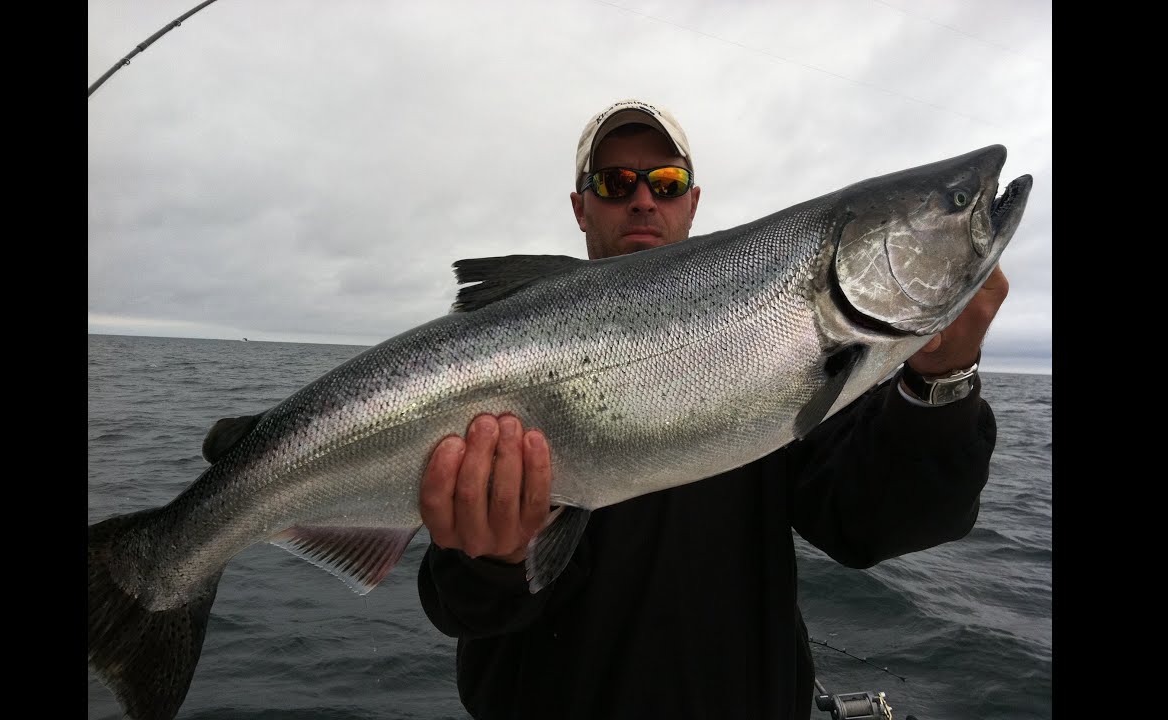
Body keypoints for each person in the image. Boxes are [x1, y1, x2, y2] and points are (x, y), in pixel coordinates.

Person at [416, 99, 1004, 719]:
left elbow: (877, 524)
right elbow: (460, 609)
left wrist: (942, 381)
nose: (643, 200)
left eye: (667, 182)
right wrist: (494, 562)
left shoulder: (798, 360)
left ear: (692, 202)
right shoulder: (501, 367)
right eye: (615, 183)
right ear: (580, 207)